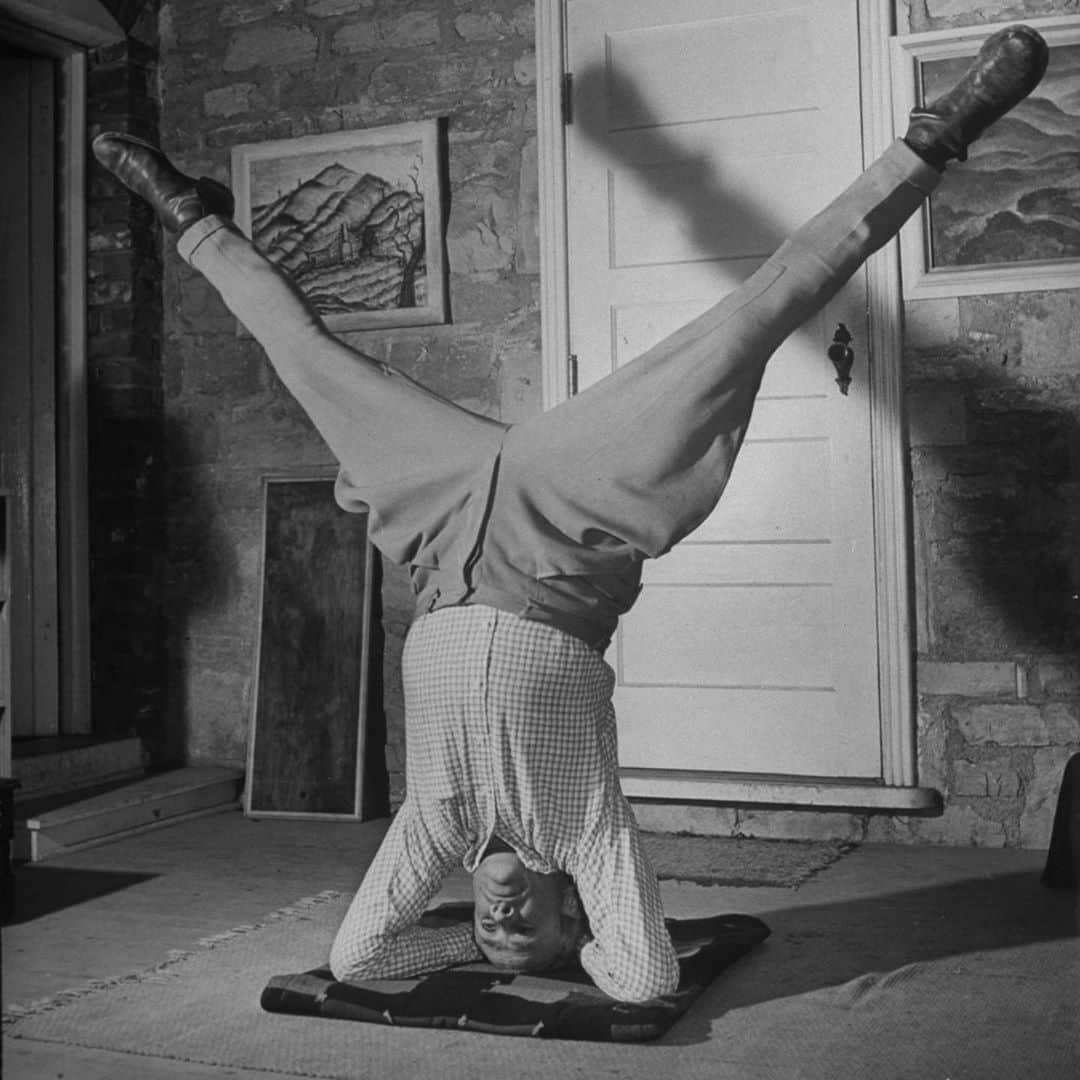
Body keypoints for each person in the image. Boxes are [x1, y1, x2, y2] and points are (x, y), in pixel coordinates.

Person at [93, 25, 1048, 1003]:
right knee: (750, 322)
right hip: (567, 513)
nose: (506, 925)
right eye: (531, 933)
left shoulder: (439, 824)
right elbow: (642, 982)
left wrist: (472, 954)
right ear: (573, 909)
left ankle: (191, 216)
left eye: (493, 930)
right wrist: (574, 959)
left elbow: (360, 964)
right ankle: (935, 137)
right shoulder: (586, 832)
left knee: (307, 361)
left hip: (437, 517)